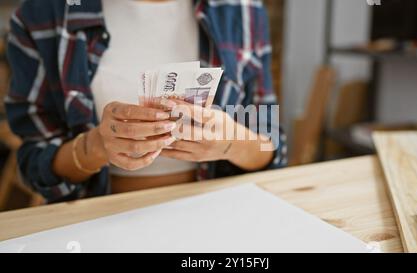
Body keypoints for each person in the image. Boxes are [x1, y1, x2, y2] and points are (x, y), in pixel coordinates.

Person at [5, 0, 287, 203]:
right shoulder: (45, 13)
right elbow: (33, 164)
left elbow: (271, 144)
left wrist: (231, 141)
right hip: (94, 222)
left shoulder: (243, 10)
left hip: (213, 215)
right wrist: (97, 146)